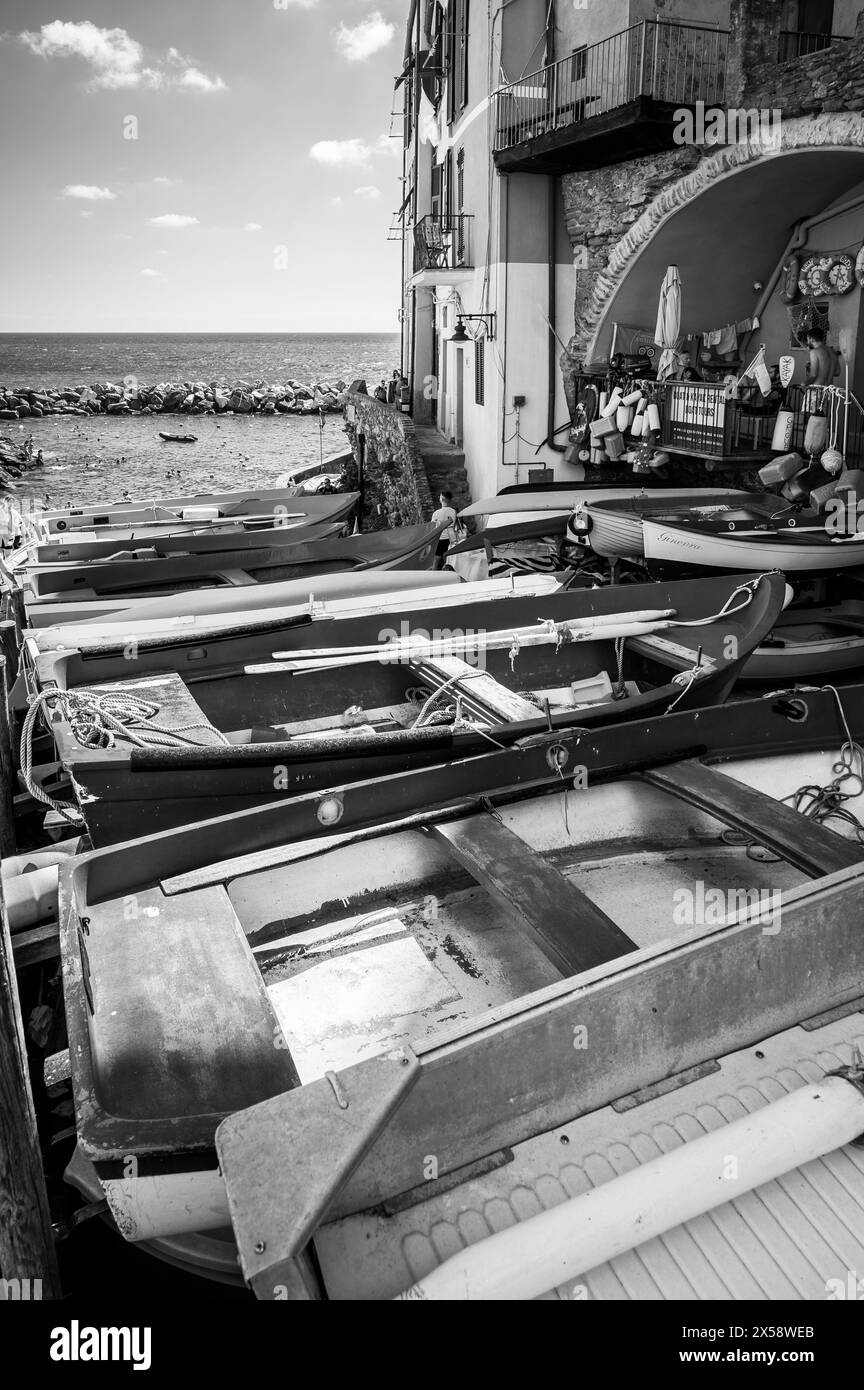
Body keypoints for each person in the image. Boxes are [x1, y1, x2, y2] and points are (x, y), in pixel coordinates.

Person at [431, 489, 460, 570]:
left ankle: (433, 577)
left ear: (442, 499)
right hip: (451, 539)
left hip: (439, 539)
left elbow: (433, 528)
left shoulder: (436, 513)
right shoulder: (453, 511)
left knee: (436, 561)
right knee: (447, 561)